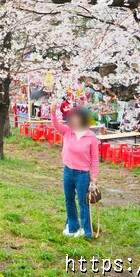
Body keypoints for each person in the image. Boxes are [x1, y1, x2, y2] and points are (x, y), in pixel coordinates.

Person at [51, 100, 99, 239]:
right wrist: (53, 112)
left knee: (83, 202)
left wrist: (94, 177)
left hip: (82, 174)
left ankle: (86, 230)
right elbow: (56, 125)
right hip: (68, 171)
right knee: (69, 199)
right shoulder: (68, 132)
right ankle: (72, 227)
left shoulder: (91, 137)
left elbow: (95, 158)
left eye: (77, 117)